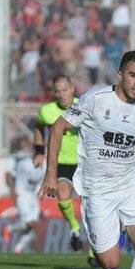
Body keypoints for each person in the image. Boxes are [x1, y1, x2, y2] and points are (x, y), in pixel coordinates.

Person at [38, 50, 135, 269]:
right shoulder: (96, 100)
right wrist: (51, 174)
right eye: (133, 75)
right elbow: (58, 128)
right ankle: (112, 228)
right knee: (110, 263)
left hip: (130, 184)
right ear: (120, 75)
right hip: (97, 190)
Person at [33, 75, 84, 253]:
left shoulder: (84, 107)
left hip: (85, 163)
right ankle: (75, 229)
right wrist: (39, 152)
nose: (61, 94)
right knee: (62, 195)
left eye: (65, 90)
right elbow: (39, 127)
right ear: (53, 92)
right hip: (62, 163)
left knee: (92, 207)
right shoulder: (47, 111)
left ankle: (95, 251)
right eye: (57, 91)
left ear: (72, 88)